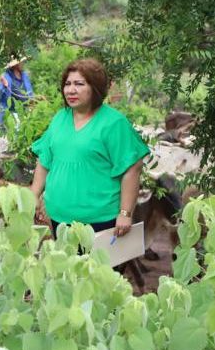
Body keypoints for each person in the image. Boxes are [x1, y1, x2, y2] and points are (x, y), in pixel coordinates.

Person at [29, 57, 149, 239]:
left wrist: (125, 213)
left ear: (95, 87)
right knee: (65, 266)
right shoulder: (60, 119)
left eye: (79, 84)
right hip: (58, 218)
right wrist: (34, 196)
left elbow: (132, 169)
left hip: (100, 221)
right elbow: (45, 161)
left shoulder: (113, 123)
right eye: (67, 84)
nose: (71, 90)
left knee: (99, 268)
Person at [0, 56, 34, 131]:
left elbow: (30, 92)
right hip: (9, 111)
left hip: (23, 110)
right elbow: (2, 97)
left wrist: (32, 101)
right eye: (21, 62)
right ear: (15, 65)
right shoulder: (6, 77)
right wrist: (5, 86)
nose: (23, 64)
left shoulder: (24, 75)